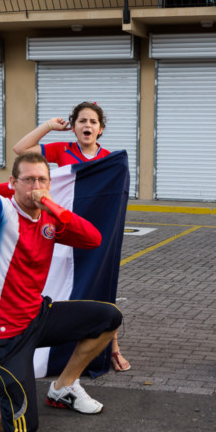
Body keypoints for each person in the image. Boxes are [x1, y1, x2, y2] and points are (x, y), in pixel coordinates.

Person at [0, 100, 123, 432]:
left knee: (109, 317)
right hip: (1, 334)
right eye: (29, 180)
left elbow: (92, 238)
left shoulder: (50, 218)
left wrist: (50, 204)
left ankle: (63, 387)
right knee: (19, 428)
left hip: (36, 315)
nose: (35, 186)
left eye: (42, 180)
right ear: (13, 183)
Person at [12, 101, 130, 372]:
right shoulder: (62, 150)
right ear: (74, 127)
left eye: (92, 122)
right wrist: (48, 127)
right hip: (63, 233)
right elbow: (20, 150)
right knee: (59, 285)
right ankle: (51, 341)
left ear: (100, 130)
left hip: (95, 234)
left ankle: (112, 348)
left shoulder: (110, 160)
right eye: (82, 121)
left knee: (103, 286)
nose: (87, 125)